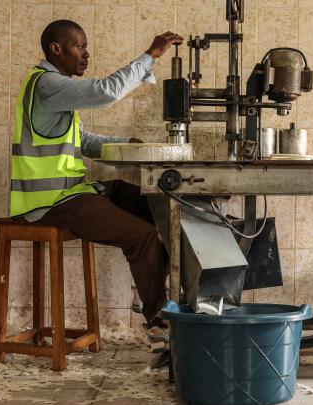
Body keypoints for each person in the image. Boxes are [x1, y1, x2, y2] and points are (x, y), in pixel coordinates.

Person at [10, 19, 183, 346]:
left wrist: (127, 142)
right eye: (80, 46)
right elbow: (106, 91)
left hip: (71, 193)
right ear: (56, 48)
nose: (86, 54)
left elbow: (83, 140)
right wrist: (150, 55)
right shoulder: (47, 84)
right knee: (143, 236)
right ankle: (160, 320)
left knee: (151, 199)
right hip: (48, 202)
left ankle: (150, 287)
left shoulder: (55, 88)